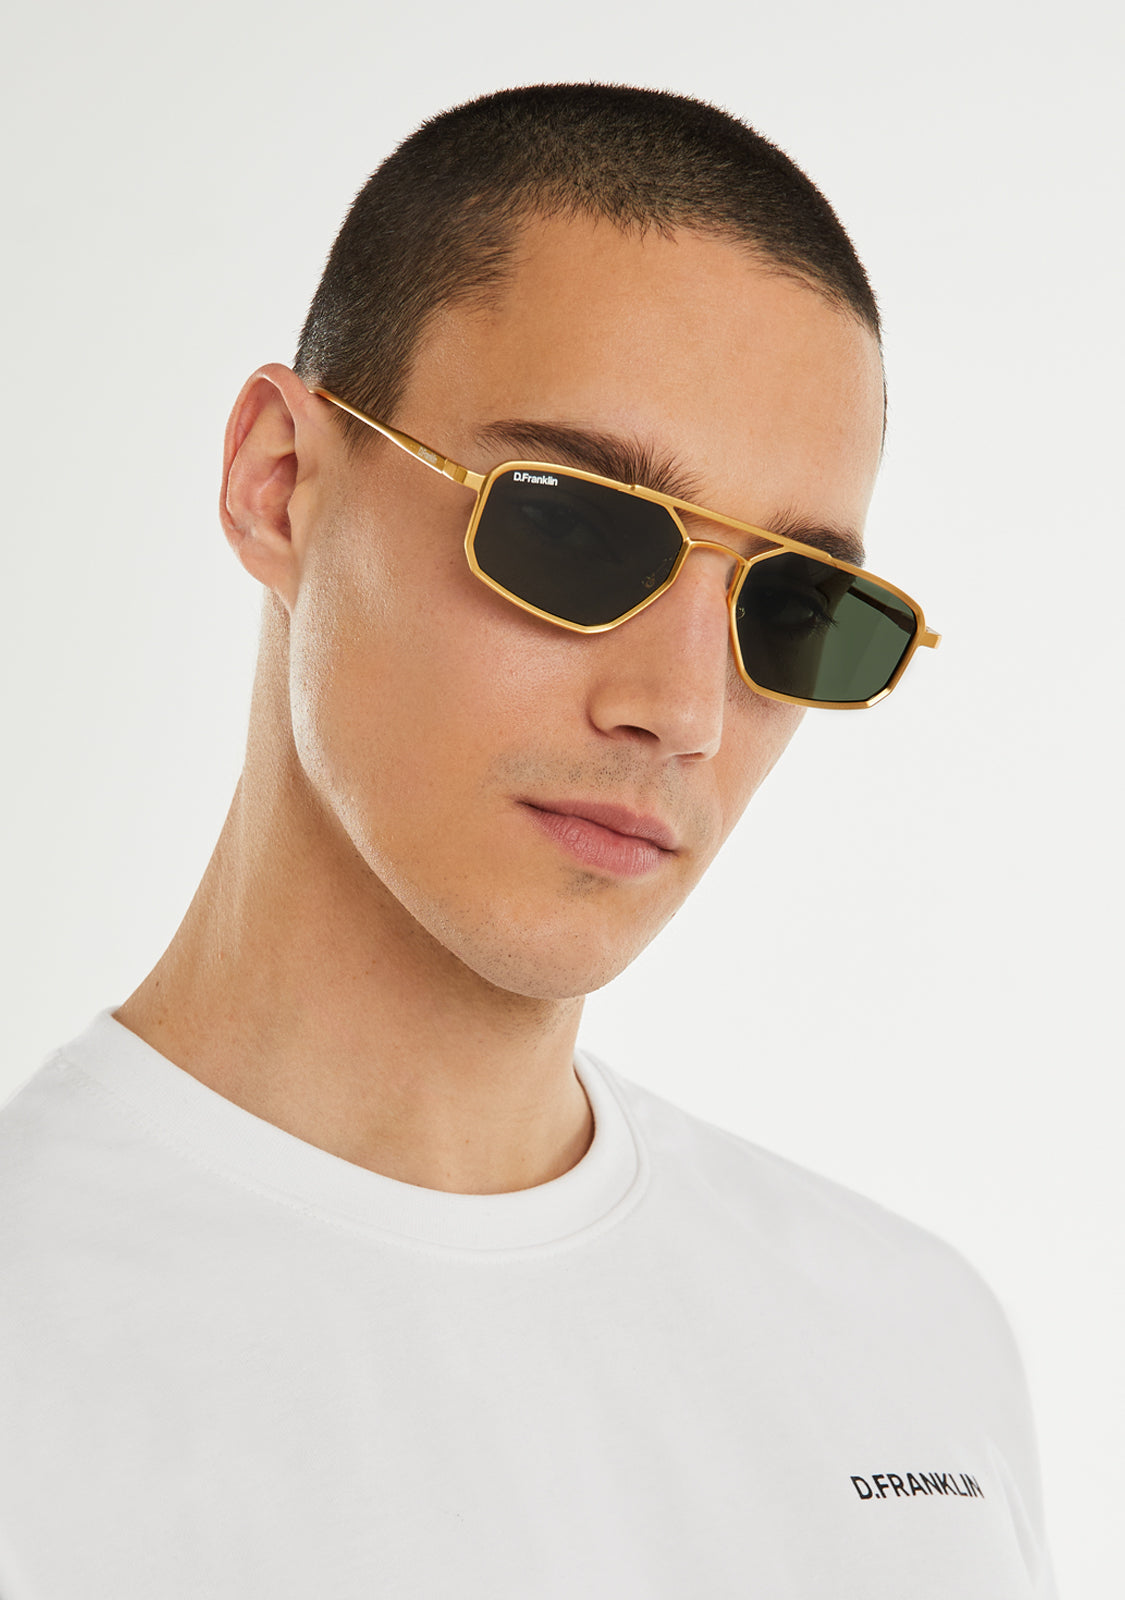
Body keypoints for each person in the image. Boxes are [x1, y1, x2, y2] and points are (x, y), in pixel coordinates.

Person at [0, 84, 1054, 1598]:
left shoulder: (916, 1351)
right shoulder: (35, 1350)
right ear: (278, 484)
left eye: (793, 608)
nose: (682, 711)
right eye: (576, 528)